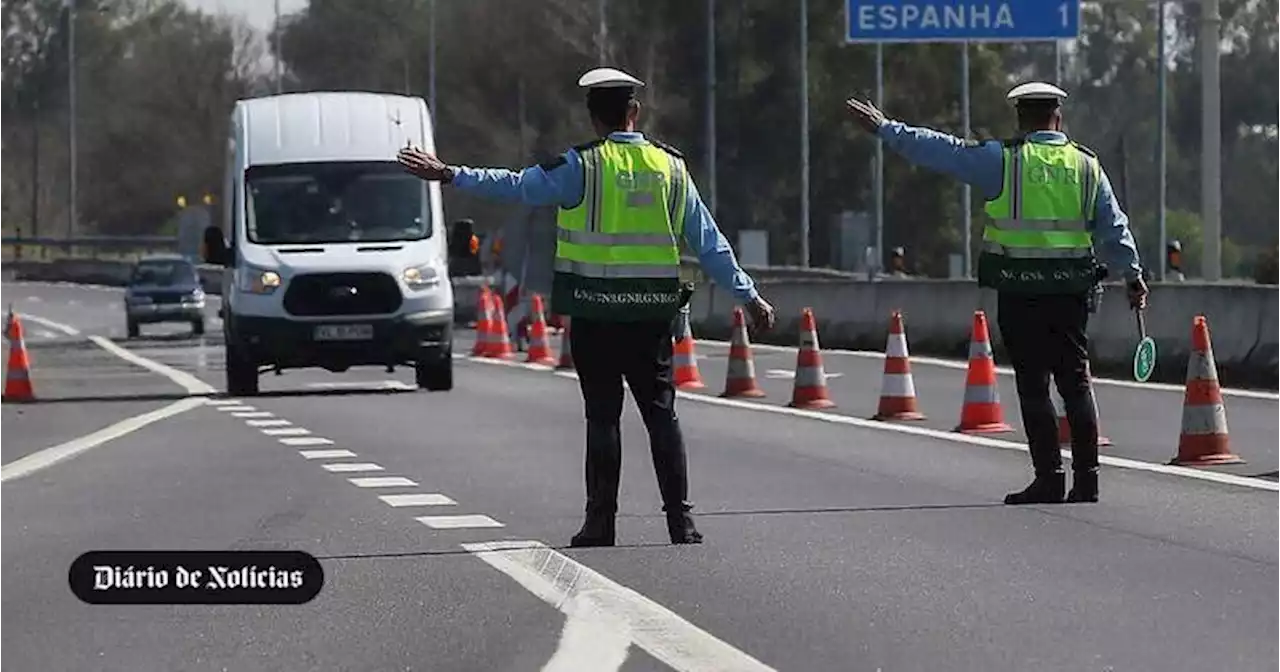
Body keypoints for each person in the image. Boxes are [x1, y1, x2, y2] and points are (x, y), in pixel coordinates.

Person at [397, 66, 776, 545]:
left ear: (593, 118)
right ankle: (681, 521)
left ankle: (601, 522)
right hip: (650, 314)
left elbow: (515, 185)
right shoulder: (671, 168)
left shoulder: (581, 165)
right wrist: (750, 296)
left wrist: (450, 174)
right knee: (662, 414)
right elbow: (710, 244)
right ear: (634, 113)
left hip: (596, 315)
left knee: (603, 417)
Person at [846, 81, 1149, 505]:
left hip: (1019, 289)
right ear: (1058, 118)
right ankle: (1088, 481)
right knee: (1076, 383)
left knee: (1033, 385)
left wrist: (886, 128)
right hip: (1071, 293)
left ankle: (1049, 478)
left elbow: (944, 151)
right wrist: (1132, 276)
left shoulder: (1003, 160)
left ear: (1020, 119)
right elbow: (1115, 228)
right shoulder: (1086, 166)